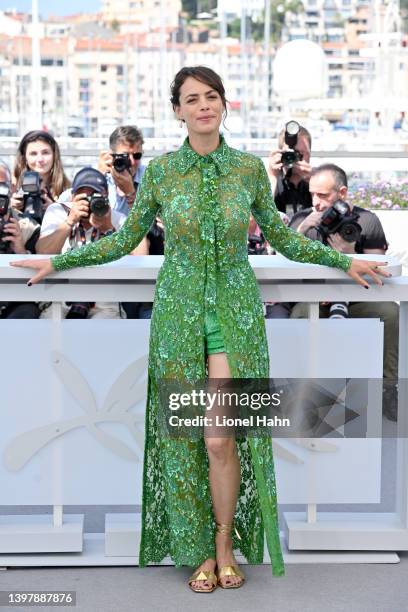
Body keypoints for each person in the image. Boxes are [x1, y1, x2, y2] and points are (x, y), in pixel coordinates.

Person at [10, 66, 390, 592]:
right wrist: (59, 263)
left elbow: (281, 235)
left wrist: (343, 263)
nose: (203, 105)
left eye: (211, 96)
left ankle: (223, 542)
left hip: (234, 316)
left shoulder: (247, 170)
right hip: (178, 314)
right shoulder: (163, 172)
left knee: (220, 438)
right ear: (178, 110)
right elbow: (125, 240)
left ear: (223, 104)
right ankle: (196, 553)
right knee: (184, 436)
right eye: (192, 99)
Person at [289, 163, 399, 421]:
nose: (316, 202)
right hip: (312, 298)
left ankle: (388, 389)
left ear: (342, 193)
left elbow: (380, 270)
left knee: (390, 314)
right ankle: (300, 393)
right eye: (312, 194)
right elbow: (281, 259)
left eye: (323, 195)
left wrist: (349, 255)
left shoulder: (366, 221)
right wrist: (302, 230)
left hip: (358, 298)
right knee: (299, 318)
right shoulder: (303, 220)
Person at [36, 167, 126, 319]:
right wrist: (69, 222)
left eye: (95, 195)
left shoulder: (117, 218)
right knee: (51, 327)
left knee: (107, 329)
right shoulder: (57, 212)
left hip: (104, 301)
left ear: (106, 196)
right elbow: (43, 251)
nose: (89, 201)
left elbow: (141, 254)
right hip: (61, 297)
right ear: (72, 197)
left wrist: (108, 228)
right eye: (83, 196)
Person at [98, 125, 164, 318]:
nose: (132, 162)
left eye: (137, 156)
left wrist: (131, 192)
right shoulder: (102, 179)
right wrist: (97, 175)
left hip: (145, 261)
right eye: (126, 156)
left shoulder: (152, 179)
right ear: (111, 155)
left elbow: (159, 223)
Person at [0, 159, 40, 318]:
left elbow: (38, 283)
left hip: (14, 302)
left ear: (12, 188)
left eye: (2, 185)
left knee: (28, 311)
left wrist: (20, 250)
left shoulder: (29, 227)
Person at [11, 130, 70, 217]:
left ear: (54, 155)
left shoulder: (68, 190)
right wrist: (11, 208)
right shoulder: (13, 187)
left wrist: (55, 209)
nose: (40, 159)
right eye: (33, 154)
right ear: (24, 158)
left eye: (45, 153)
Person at [268, 123, 313, 217]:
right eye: (292, 153)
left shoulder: (317, 180)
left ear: (310, 154)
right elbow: (256, 220)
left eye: (302, 153)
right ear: (281, 153)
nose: (296, 158)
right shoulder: (272, 179)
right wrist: (271, 177)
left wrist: (314, 184)